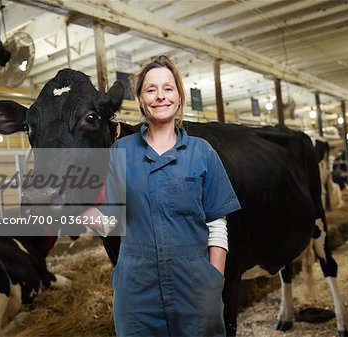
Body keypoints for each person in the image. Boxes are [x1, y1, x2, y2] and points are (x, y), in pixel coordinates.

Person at [83, 55, 241, 337]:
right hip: (136, 290)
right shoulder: (121, 152)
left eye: (168, 88)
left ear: (179, 96)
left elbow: (217, 224)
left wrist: (213, 280)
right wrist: (83, 210)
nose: (160, 96)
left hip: (194, 286)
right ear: (141, 100)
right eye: (151, 89)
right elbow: (109, 223)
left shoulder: (202, 152)